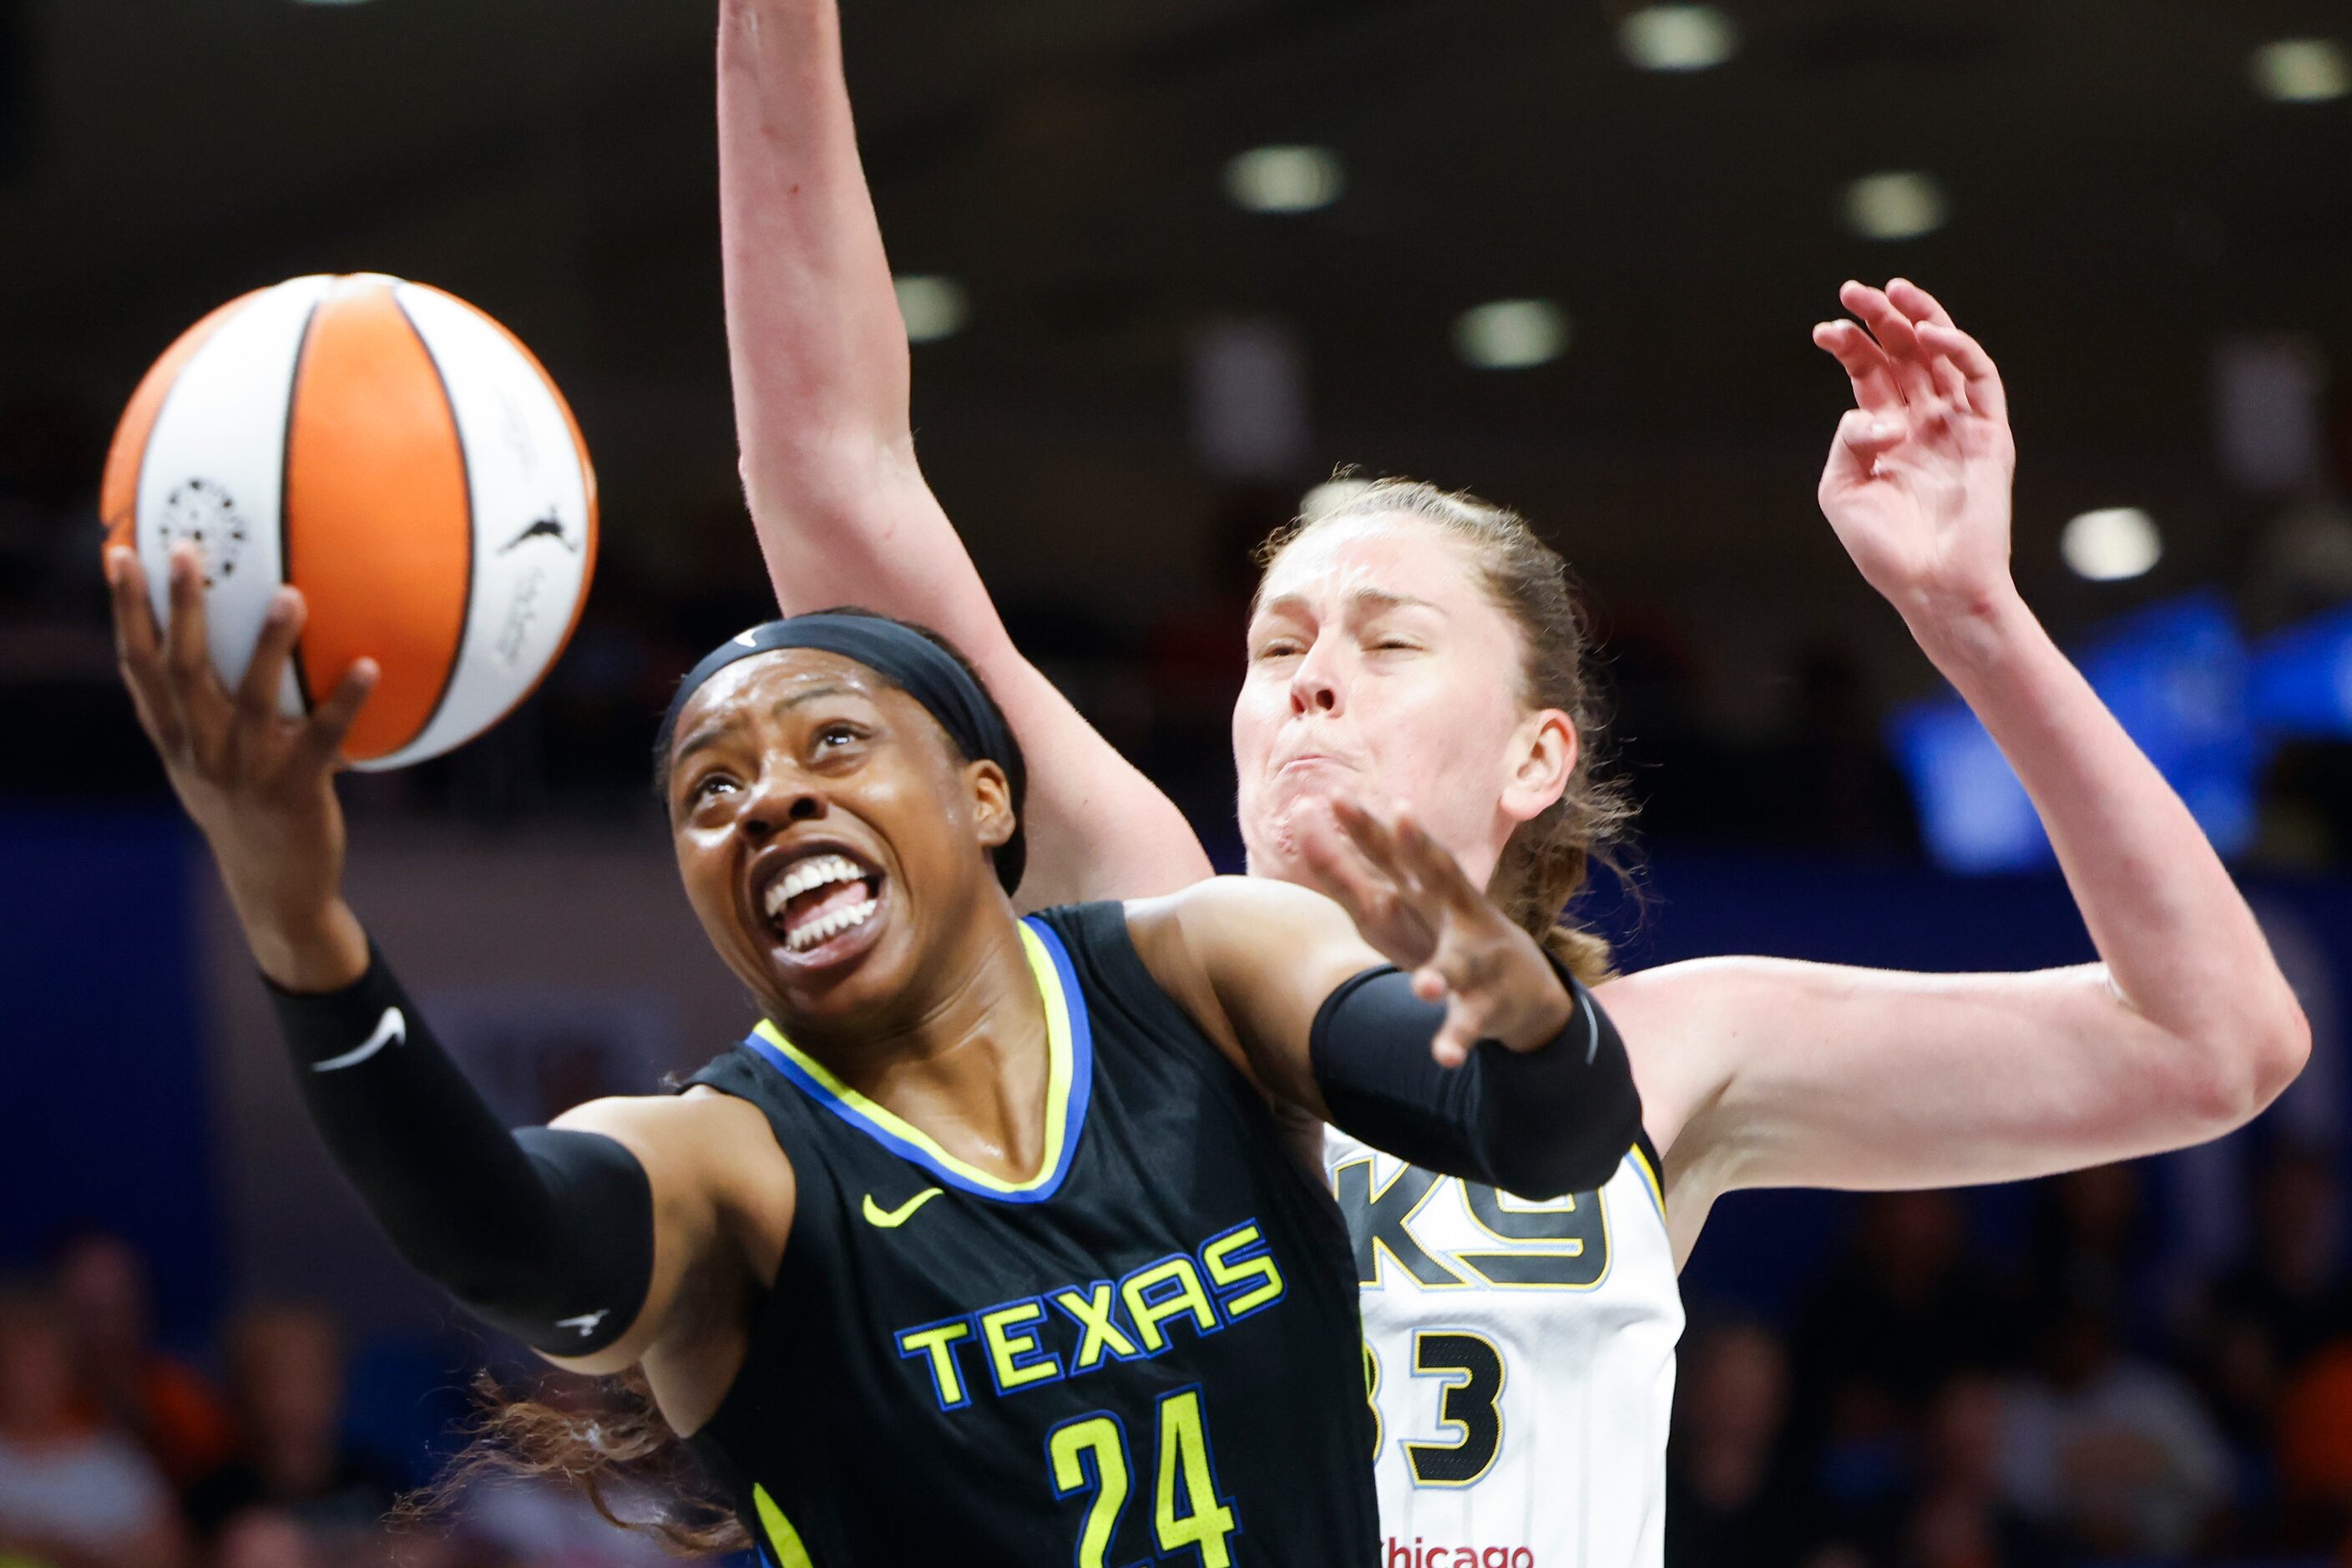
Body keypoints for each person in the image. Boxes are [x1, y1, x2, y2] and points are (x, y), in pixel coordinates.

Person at [711, 2, 2313, 1561]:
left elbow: (2214, 1040)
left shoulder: (1672, 1059)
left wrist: (1969, 616)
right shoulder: (1147, 942)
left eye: (1384, 640)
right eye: (1279, 648)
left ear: (1535, 755)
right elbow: (831, 474)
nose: (1312, 673)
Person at [104, 539, 1641, 1566]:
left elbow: (1543, 1138)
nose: (765, 800)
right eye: (711, 791)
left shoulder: (1203, 963)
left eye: (832, 742)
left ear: (983, 796)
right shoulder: (727, 1162)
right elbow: (501, 1241)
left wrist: (1530, 1034)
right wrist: (300, 924)